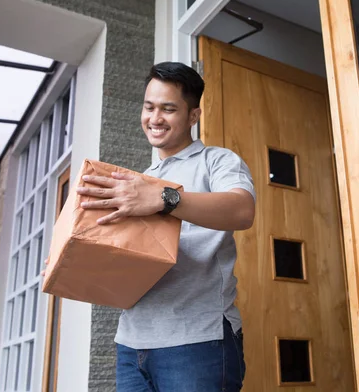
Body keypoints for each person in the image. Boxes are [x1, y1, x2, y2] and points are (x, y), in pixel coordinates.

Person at [76, 62, 256, 391]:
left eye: (168, 109)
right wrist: (76, 262)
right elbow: (128, 258)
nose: (155, 118)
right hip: (132, 343)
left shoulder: (216, 161)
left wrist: (163, 198)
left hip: (197, 339)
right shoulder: (138, 181)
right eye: (149, 107)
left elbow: (243, 210)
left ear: (193, 116)